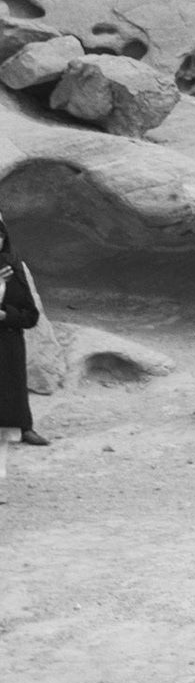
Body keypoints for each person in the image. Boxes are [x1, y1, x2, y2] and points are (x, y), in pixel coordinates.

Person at [1, 213, 44, 498]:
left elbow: (31, 315)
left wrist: (7, 315)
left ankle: (23, 426)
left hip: (7, 344)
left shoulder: (12, 268)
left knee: (11, 393)